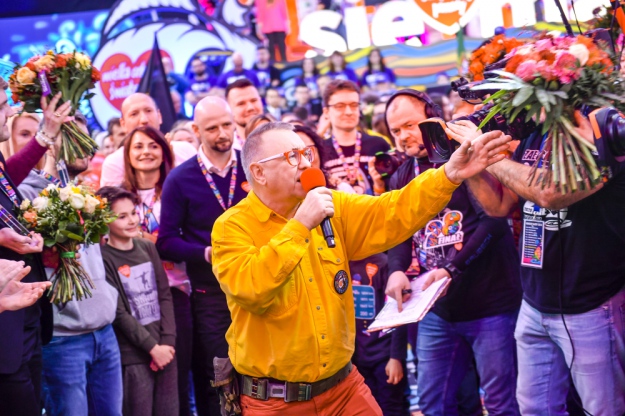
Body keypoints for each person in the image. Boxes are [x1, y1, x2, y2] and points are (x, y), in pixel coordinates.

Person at [210, 120, 510, 415]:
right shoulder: (232, 227)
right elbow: (251, 289)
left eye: (306, 154)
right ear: (259, 172)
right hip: (274, 402)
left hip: (343, 388)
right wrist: (300, 226)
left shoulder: (330, 205)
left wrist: (448, 175)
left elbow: (391, 211)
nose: (305, 164)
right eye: (291, 157)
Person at [445, 113, 625, 414]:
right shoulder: (534, 132)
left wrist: (480, 147)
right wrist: (469, 163)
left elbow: (550, 193)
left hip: (591, 303)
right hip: (534, 302)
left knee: (603, 410)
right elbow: (499, 206)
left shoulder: (600, 126)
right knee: (534, 409)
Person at [385, 90, 522, 415]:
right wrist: (396, 269)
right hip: (437, 311)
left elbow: (494, 222)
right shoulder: (401, 175)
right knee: (434, 404)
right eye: (395, 130)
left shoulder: (465, 154)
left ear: (432, 117)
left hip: (491, 307)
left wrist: (452, 269)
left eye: (409, 125)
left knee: (501, 404)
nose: (403, 136)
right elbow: (398, 231)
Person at [156, 96, 249, 416]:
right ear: (196, 130)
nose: (222, 133)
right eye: (212, 128)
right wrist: (205, 253)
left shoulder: (252, 165)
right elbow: (166, 242)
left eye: (227, 125)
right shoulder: (180, 178)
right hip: (211, 294)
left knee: (263, 373)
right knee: (219, 377)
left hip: (259, 287)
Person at [23, 124, 123, 416]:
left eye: (87, 137)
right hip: (63, 338)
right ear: (51, 141)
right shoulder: (28, 191)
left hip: (103, 330)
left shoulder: (84, 190)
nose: (87, 145)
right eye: (74, 136)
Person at [0, 85, 68, 416]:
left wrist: (45, 136)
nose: (10, 112)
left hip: (24, 307)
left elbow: (7, 181)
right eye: (2, 107)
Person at [121, 125, 194, 416]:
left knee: (178, 376)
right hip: (132, 297)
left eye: (153, 146)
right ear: (127, 154)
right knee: (138, 381)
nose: (146, 152)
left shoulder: (177, 190)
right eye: (138, 146)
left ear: (164, 152)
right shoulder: (119, 197)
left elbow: (183, 240)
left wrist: (145, 240)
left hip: (175, 292)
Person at [99, 186, 178, 416]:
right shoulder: (104, 258)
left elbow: (164, 294)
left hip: (166, 350)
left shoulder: (147, 247)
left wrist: (167, 343)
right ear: (105, 221)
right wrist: (152, 348)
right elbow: (118, 313)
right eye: (122, 216)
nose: (132, 220)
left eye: (133, 213)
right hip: (133, 355)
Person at [99, 93, 197, 187]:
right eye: (134, 114)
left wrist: (169, 158)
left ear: (159, 116)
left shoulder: (186, 150)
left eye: (148, 111)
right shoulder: (114, 163)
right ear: (123, 124)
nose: (144, 120)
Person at [320, 80, 389, 195]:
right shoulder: (320, 150)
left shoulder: (379, 144)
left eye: (354, 105)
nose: (348, 112)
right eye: (340, 106)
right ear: (326, 112)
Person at [225, 79, 263, 149]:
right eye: (241, 104)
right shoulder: (226, 149)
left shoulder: (281, 138)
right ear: (229, 110)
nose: (250, 107)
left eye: (254, 100)